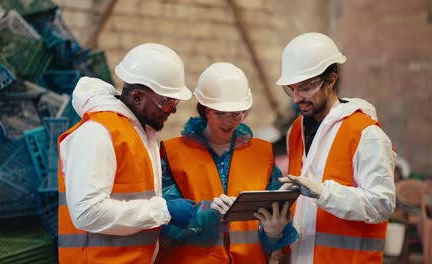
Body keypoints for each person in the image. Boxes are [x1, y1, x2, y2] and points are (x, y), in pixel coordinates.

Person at [57, 43, 193, 263]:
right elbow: (87, 212)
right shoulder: (98, 132)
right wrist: (162, 211)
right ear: (137, 97)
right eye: (167, 102)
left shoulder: (140, 133)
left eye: (175, 102)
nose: (173, 110)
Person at [155, 62, 299, 263]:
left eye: (235, 114)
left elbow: (276, 211)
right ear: (205, 110)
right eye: (219, 114)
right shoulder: (173, 153)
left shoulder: (261, 154)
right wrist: (203, 215)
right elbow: (159, 218)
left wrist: (274, 233)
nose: (228, 122)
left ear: (245, 112)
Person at [276, 32, 396, 263]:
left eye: (305, 88)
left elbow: (382, 204)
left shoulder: (365, 133)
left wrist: (323, 193)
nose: (297, 98)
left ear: (331, 80)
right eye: (291, 89)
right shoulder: (296, 130)